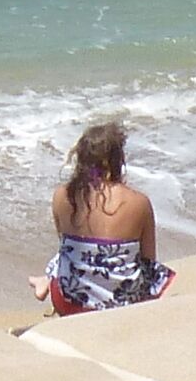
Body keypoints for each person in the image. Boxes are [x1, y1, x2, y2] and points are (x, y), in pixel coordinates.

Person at [37, 119, 175, 313]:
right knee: (159, 276)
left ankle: (45, 281)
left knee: (69, 252)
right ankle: (45, 280)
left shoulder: (62, 196)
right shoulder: (139, 202)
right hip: (122, 307)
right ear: (117, 160)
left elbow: (65, 248)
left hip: (70, 303)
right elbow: (148, 262)